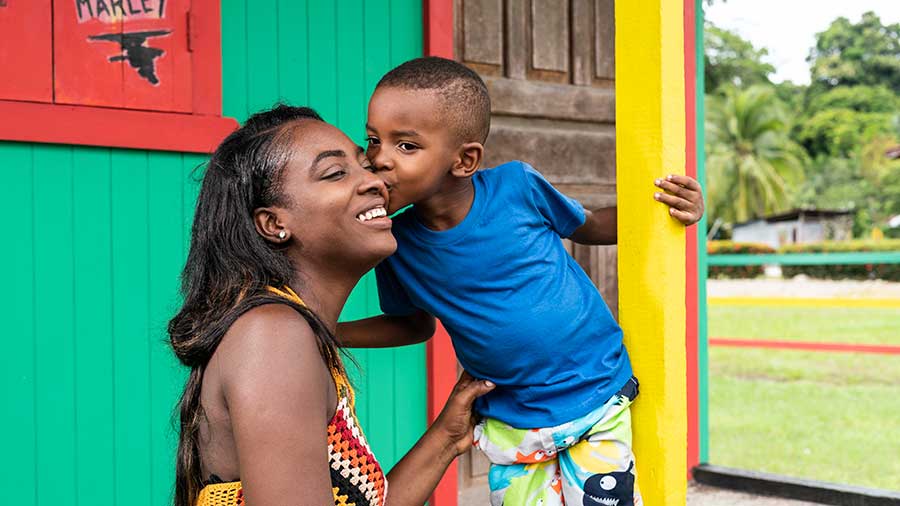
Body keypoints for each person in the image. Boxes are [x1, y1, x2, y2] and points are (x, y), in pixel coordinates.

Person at [337, 57, 705, 506]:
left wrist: (666, 212)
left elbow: (591, 226)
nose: (379, 160)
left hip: (593, 390)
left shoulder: (517, 188)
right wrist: (329, 331)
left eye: (407, 146)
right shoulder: (396, 246)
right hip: (511, 420)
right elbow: (414, 325)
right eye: (374, 140)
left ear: (464, 159)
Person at [168, 104, 495, 506]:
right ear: (274, 224)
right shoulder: (273, 335)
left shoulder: (294, 333)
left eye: (365, 165)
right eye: (336, 173)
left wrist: (447, 435)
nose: (375, 182)